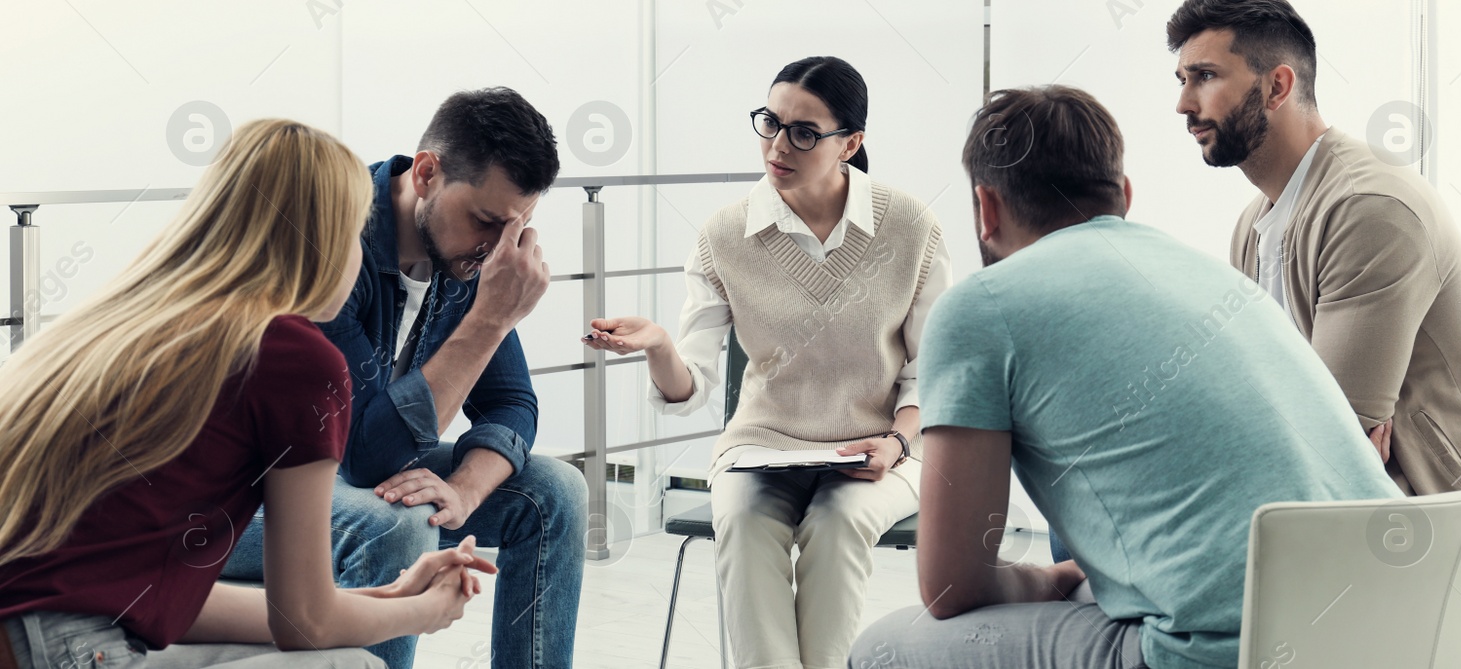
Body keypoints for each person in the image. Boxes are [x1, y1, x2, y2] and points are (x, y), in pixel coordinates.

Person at [849, 85, 1400, 669]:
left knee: (881, 648)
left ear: (987, 208)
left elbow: (950, 587)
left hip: (1225, 656)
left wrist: (1047, 581)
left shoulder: (980, 307)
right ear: (1124, 198)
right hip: (1395, 628)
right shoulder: (1213, 278)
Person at [0, 119, 493, 668]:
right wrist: (425, 614)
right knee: (349, 666)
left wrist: (390, 597)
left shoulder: (127, 322)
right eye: (355, 231)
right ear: (324, 239)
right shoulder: (292, 358)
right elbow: (304, 622)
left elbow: (164, 602)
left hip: (37, 636)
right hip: (66, 648)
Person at [583, 56, 951, 669]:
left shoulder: (910, 226)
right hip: (763, 445)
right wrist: (658, 347)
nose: (778, 146)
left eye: (804, 133)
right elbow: (691, 387)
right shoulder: (725, 236)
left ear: (850, 143)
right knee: (746, 528)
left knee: (837, 528)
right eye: (770, 124)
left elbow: (930, 370)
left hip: (881, 447)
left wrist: (895, 442)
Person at [218, 88, 588, 669]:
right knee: (397, 524)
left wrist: (465, 489)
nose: (497, 251)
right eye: (486, 221)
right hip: (252, 490)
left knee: (557, 492)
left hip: (344, 469)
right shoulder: (336, 240)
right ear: (427, 172)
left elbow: (512, 401)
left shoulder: (467, 253)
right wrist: (491, 318)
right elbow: (364, 454)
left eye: (516, 229)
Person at [1167, 0, 1461, 494]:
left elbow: (1330, 442)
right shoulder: (1255, 223)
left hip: (1431, 514)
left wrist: (1311, 430)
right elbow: (1260, 406)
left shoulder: (1370, 209)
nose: (1184, 104)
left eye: (1204, 76)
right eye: (1182, 80)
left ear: (1277, 86)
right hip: (1331, 500)